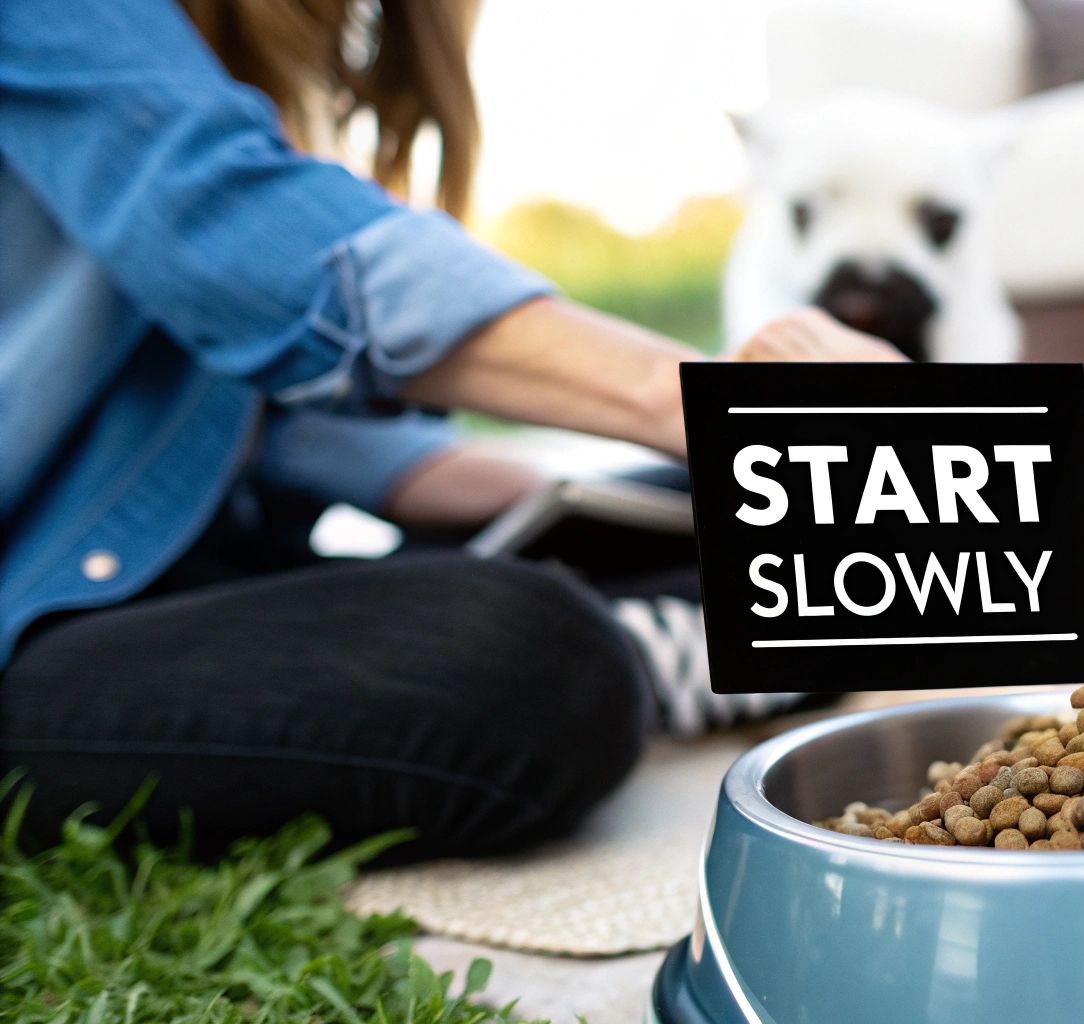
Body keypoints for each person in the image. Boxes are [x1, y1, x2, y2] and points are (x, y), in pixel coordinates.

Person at [0, 0, 902, 862]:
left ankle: (706, 637)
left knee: (714, 513)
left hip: (194, 564)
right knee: (523, 651)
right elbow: (235, 233)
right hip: (27, 614)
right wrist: (701, 406)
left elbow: (241, 404)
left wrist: (523, 490)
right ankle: (674, 655)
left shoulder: (229, 47)